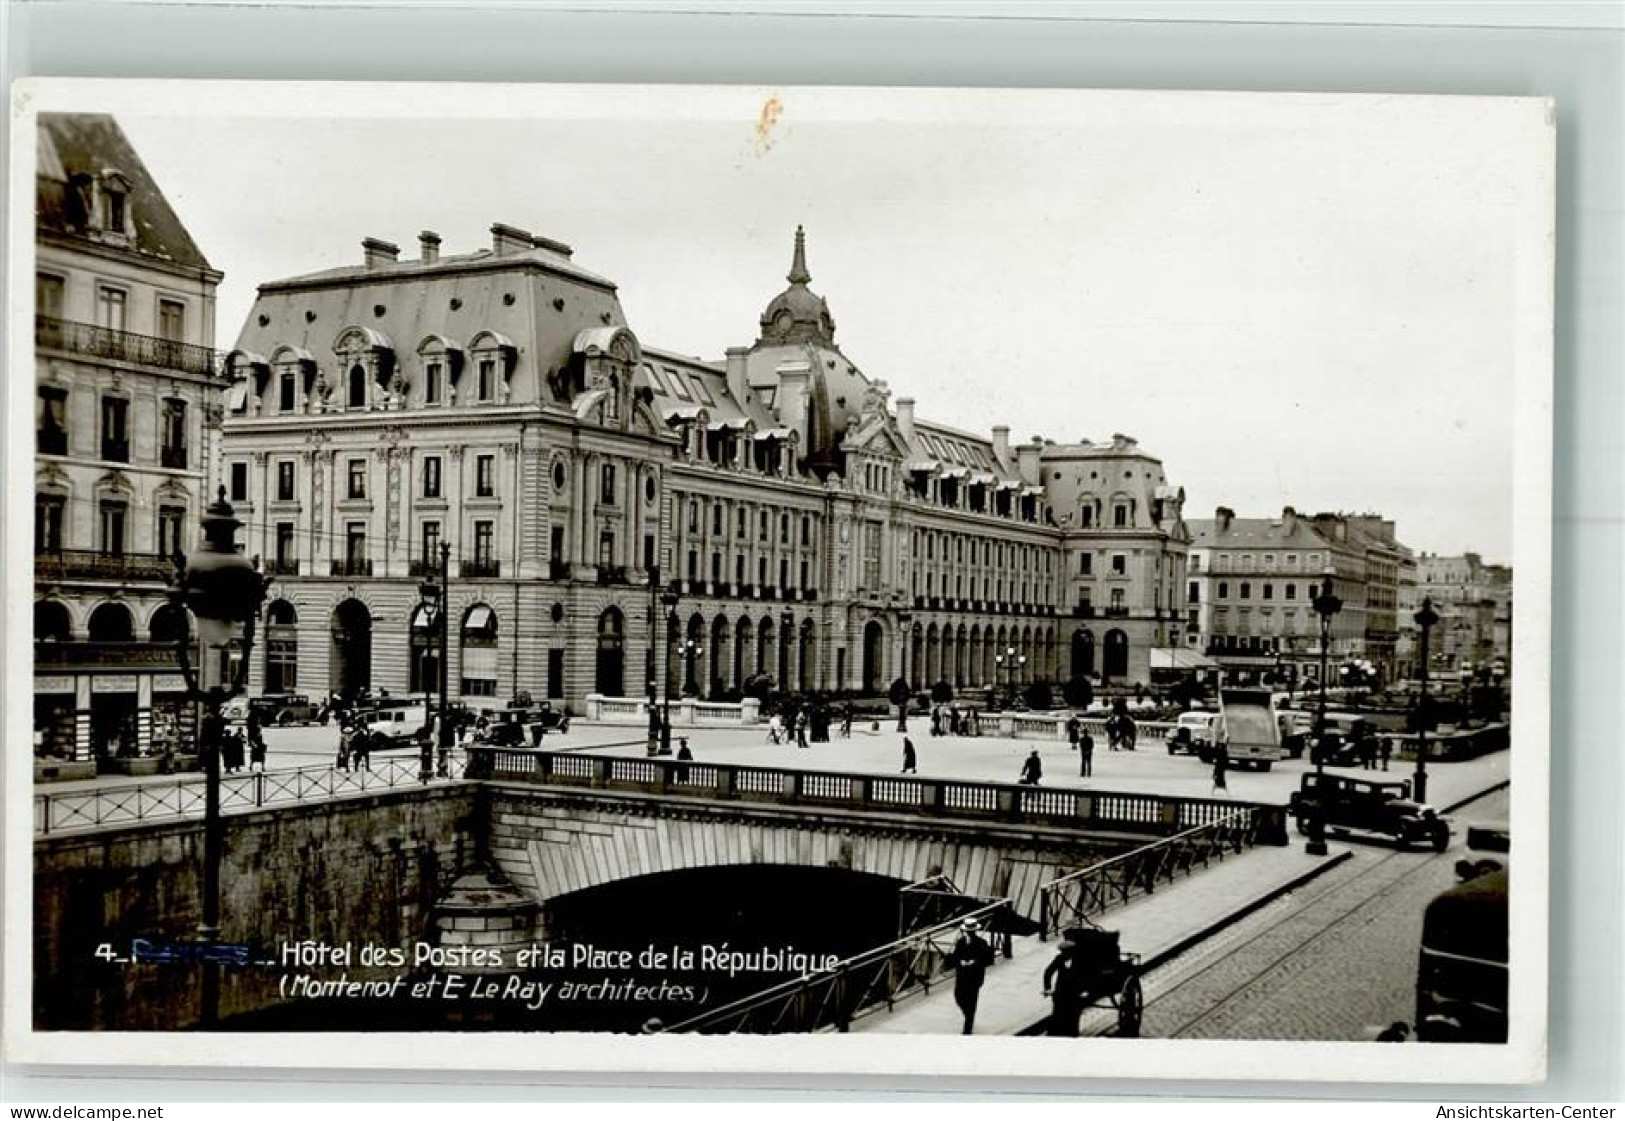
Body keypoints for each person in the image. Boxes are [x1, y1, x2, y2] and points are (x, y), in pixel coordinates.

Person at [946, 917, 997, 1034]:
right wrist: (960, 962)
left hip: (974, 977)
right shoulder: (960, 942)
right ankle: (968, 1015)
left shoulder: (981, 943)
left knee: (971, 1000)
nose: (969, 933)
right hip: (962, 976)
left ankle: (967, 1027)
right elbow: (956, 956)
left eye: (971, 931)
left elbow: (987, 959)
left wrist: (974, 962)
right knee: (958, 996)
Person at [1042, 934, 1088, 1037]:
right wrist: (1047, 988)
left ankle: (1072, 1035)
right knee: (1058, 1014)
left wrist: (1083, 990)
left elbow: (1085, 975)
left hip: (1074, 993)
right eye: (1063, 952)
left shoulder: (1080, 961)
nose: (1065, 954)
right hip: (1061, 992)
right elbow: (1048, 972)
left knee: (1073, 1015)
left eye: (1067, 952)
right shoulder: (1059, 959)